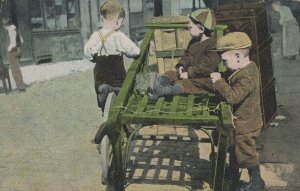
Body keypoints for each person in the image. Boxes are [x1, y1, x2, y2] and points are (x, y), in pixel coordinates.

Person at [210, 32, 265, 191]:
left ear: (237, 56)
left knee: (246, 154)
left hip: (246, 125)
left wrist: (219, 81)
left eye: (225, 61)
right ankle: (234, 174)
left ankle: (256, 184)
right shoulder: (247, 68)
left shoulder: (246, 77)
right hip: (244, 121)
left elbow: (233, 97)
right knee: (237, 150)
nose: (224, 64)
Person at [148, 8, 221, 101]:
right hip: (188, 73)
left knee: (185, 84)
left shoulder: (213, 46)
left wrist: (189, 73)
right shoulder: (194, 41)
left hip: (203, 81)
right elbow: (186, 55)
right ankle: (158, 87)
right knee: (170, 74)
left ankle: (162, 91)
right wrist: (182, 66)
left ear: (201, 29)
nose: (188, 28)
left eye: (190, 27)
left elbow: (207, 67)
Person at [84, 0, 140, 113]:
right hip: (117, 78)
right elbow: (135, 52)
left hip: (101, 78)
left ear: (102, 18)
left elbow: (87, 53)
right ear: (118, 20)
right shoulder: (118, 36)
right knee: (123, 97)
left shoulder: (96, 36)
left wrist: (95, 56)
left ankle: (103, 109)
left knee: (102, 100)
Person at [1, 17, 27, 92]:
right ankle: (20, 86)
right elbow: (21, 41)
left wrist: (9, 49)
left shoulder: (11, 31)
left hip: (13, 52)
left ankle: (21, 87)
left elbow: (13, 43)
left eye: (4, 27)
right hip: (16, 51)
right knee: (16, 69)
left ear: (6, 25)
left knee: (15, 70)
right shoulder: (16, 29)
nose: (4, 28)